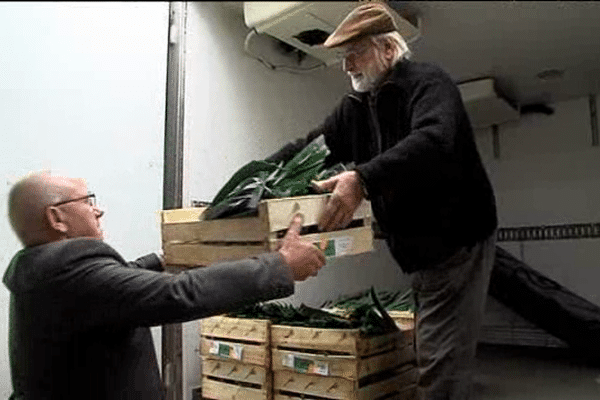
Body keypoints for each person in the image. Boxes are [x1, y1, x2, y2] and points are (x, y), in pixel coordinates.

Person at [265, 3, 498, 400]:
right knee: (434, 351)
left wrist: (363, 178)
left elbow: (434, 142)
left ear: (388, 50)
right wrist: (258, 176)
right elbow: (311, 148)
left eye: (355, 53)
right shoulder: (353, 109)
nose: (347, 66)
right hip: (420, 253)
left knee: (441, 367)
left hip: (458, 241)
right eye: (343, 56)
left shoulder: (428, 84)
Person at [3, 171, 326, 400]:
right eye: (88, 201)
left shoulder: (42, 273)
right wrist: (280, 266)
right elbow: (178, 294)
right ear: (57, 218)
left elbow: (118, 280)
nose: (97, 209)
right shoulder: (72, 275)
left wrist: (163, 256)